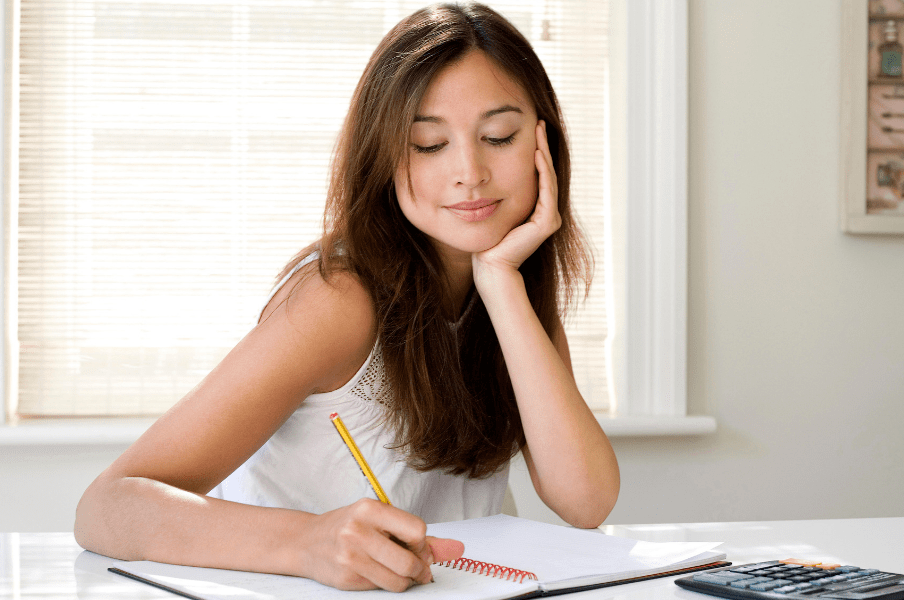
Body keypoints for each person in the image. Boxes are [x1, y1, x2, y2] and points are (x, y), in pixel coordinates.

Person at [74, 2, 619, 593]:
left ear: (544, 142)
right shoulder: (339, 299)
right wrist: (307, 543)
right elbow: (107, 506)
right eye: (429, 144)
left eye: (498, 136)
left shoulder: (510, 285)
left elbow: (585, 501)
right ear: (382, 156)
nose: (470, 171)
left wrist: (501, 285)